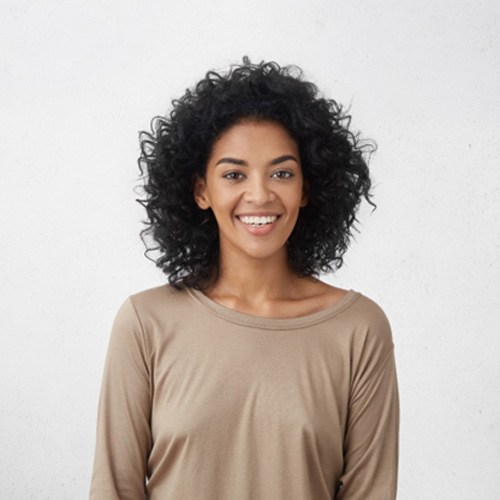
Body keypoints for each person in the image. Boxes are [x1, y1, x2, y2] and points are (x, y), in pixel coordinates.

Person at [89, 58, 399, 499]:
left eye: (282, 173)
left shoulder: (357, 330)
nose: (259, 194)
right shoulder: (146, 322)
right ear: (201, 191)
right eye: (234, 174)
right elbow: (113, 491)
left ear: (307, 188)